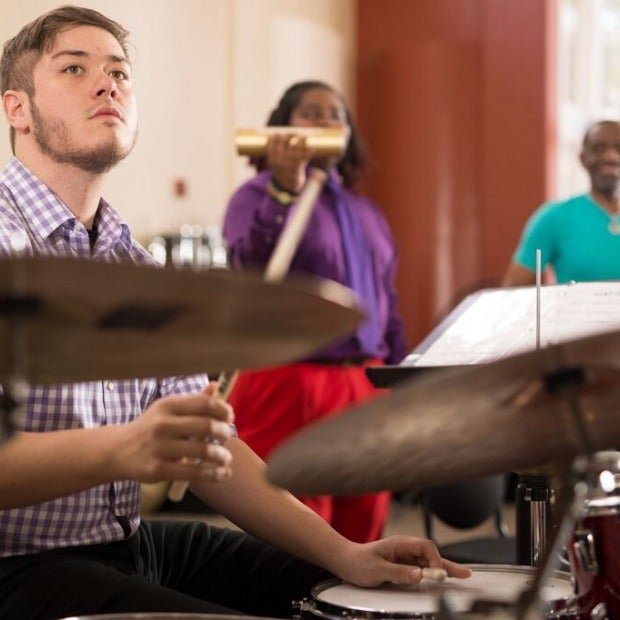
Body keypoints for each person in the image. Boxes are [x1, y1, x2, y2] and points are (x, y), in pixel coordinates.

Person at [0, 7, 469, 619]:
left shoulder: (133, 265)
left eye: (119, 71)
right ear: (17, 109)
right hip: (18, 568)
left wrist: (346, 553)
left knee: (345, 599)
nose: (107, 83)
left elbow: (211, 452)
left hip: (125, 543)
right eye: (74, 67)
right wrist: (126, 448)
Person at [223, 81, 408, 543]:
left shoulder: (365, 210)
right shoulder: (255, 195)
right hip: (290, 382)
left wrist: (403, 377)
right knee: (298, 540)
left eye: (336, 114)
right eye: (312, 113)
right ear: (284, 126)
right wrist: (285, 192)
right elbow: (254, 271)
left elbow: (385, 300)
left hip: (365, 382)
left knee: (365, 535)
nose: (326, 121)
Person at [503, 120, 620, 286]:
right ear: (583, 158)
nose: (610, 156)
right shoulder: (553, 217)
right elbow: (513, 292)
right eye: (599, 149)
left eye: (618, 148)